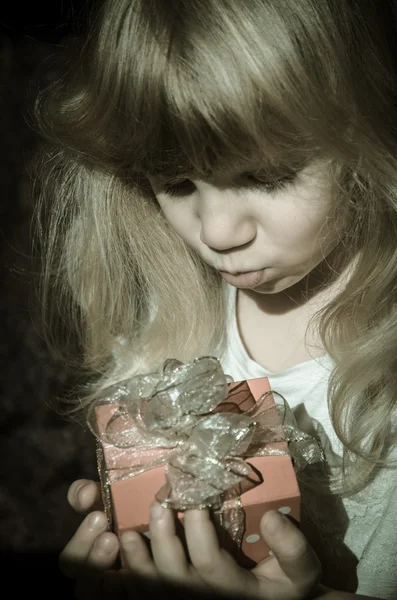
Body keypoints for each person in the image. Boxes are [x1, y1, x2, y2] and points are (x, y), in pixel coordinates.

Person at [32, 1, 397, 598]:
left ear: (372, 136)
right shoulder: (170, 320)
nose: (218, 232)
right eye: (175, 182)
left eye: (268, 174)